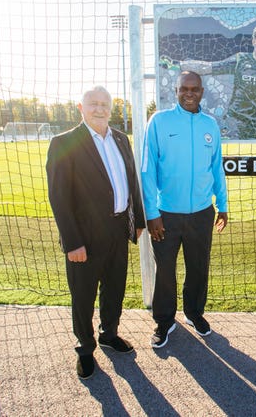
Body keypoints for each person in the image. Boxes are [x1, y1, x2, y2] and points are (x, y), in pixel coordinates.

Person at [46, 85, 146, 379]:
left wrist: (137, 220)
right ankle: (85, 348)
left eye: (104, 104)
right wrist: (72, 242)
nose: (99, 108)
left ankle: (109, 334)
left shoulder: (120, 138)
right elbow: (59, 198)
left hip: (118, 228)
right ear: (81, 107)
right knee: (83, 295)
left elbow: (131, 182)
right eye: (93, 103)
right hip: (84, 236)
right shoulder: (64, 142)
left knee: (114, 288)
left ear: (111, 108)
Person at [142, 71, 228, 349]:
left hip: (202, 213)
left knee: (198, 267)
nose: (189, 94)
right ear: (175, 91)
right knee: (165, 270)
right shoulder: (159, 121)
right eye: (184, 89)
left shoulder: (210, 125)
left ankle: (194, 313)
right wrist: (152, 213)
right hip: (166, 214)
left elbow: (217, 168)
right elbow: (147, 169)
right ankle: (164, 321)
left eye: (194, 89)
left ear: (202, 92)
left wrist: (223, 205)